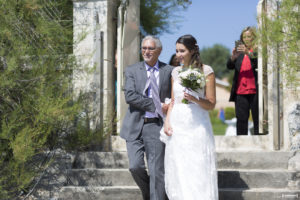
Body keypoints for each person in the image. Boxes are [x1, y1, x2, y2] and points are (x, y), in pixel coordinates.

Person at [162, 34, 218, 200]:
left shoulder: (206, 71)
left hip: (197, 125)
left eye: (182, 51)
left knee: (197, 167)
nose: (178, 55)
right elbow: (173, 101)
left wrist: (194, 98)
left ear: (193, 50)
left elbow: (212, 104)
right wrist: (167, 122)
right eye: (177, 51)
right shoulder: (175, 72)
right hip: (178, 126)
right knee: (179, 168)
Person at [120, 35, 173, 200]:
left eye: (150, 48)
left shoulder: (169, 71)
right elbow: (130, 96)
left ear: (159, 50)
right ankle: (148, 193)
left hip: (156, 125)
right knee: (135, 167)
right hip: (134, 125)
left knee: (156, 170)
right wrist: (156, 106)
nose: (146, 51)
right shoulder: (132, 70)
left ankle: (156, 195)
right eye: (144, 48)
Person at [227, 26, 258, 135]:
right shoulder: (239, 54)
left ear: (254, 37)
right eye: (244, 37)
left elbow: (258, 63)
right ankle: (241, 144)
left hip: (255, 91)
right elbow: (229, 66)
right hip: (240, 91)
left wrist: (248, 53)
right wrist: (233, 57)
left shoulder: (257, 52)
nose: (246, 39)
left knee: (257, 120)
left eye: (249, 36)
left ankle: (259, 145)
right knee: (241, 120)